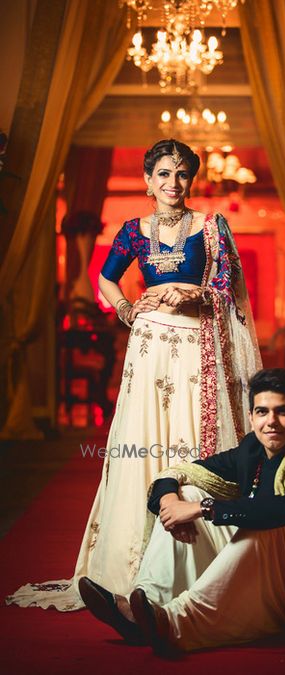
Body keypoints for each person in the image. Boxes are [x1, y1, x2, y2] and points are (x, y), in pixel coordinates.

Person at [6, 139, 261, 612]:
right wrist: (124, 307)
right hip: (148, 348)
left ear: (191, 180)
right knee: (144, 439)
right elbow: (104, 277)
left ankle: (198, 566)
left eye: (182, 174)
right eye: (163, 174)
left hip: (195, 348)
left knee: (190, 440)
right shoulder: (132, 231)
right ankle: (133, 567)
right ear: (148, 181)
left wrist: (192, 294)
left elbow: (229, 288)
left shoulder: (211, 227)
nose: (173, 183)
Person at [78, 368, 285, 653]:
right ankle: (144, 608)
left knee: (264, 522)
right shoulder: (252, 450)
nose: (271, 422)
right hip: (271, 570)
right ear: (251, 416)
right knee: (188, 491)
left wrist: (203, 508)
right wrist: (170, 501)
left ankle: (173, 623)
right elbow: (185, 472)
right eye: (262, 412)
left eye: (282, 411)